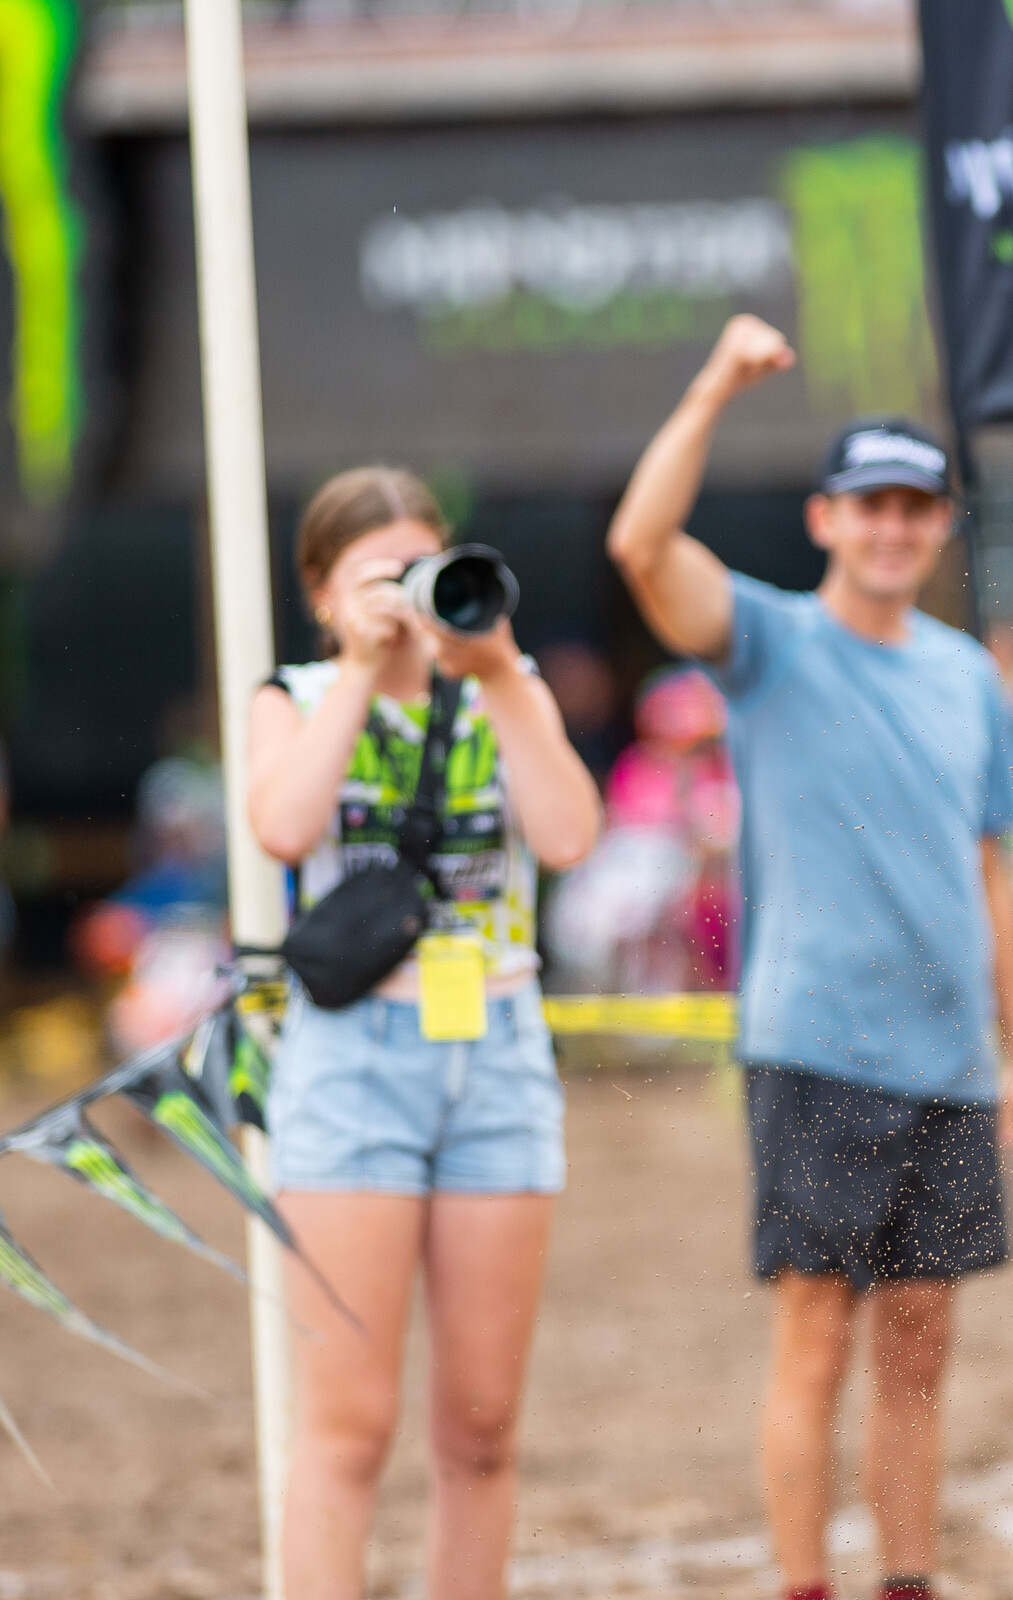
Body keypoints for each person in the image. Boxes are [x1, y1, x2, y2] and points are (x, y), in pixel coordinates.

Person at [605, 322, 1013, 1600]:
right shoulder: (770, 644)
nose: (893, 529)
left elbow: (987, 875)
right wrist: (713, 385)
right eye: (871, 507)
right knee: (816, 1339)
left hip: (950, 1063)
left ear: (938, 526)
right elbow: (641, 547)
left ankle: (905, 1582)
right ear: (826, 519)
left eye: (916, 508)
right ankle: (809, 1587)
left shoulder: (968, 676)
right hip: (817, 1048)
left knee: (920, 1346)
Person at [246, 466, 603, 1600]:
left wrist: (494, 668)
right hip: (351, 1065)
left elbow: (568, 835)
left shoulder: (507, 679)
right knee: (348, 1426)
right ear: (320, 593)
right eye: (373, 578)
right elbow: (282, 825)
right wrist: (359, 664)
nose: (402, 596)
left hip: (496, 1052)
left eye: (419, 569)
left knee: (483, 1427)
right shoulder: (296, 694)